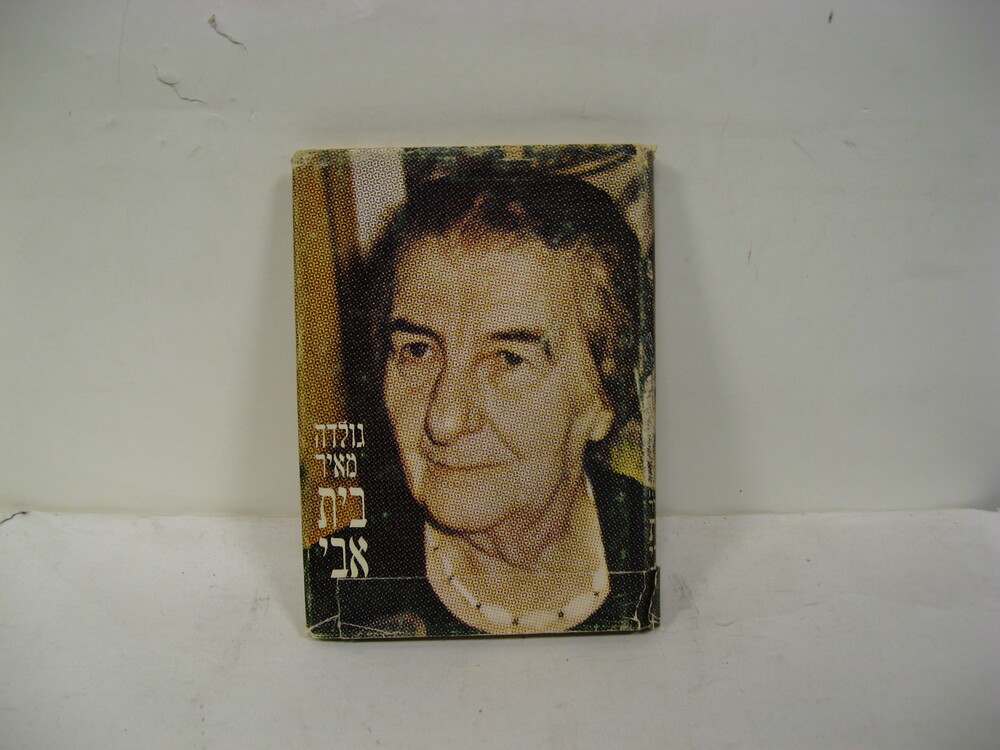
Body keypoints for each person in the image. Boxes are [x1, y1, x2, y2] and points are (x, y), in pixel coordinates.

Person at [308, 160, 657, 638]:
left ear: (604, 399)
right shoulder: (335, 593)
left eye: (509, 359)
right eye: (417, 350)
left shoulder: (655, 545)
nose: (444, 419)